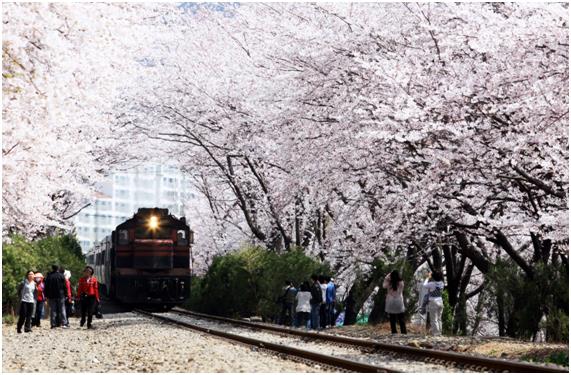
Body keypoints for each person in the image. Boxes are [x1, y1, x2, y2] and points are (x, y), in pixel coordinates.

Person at [382, 270, 407, 334]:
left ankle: (394, 332)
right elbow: (401, 290)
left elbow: (383, 286)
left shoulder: (389, 283)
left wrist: (386, 278)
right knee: (401, 318)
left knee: (392, 318)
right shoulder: (401, 282)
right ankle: (403, 332)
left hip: (390, 301)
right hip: (399, 301)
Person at [44, 264, 68, 329]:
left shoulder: (49, 276)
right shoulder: (61, 276)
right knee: (62, 309)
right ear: (58, 268)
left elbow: (46, 286)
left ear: (52, 268)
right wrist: (66, 294)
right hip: (61, 295)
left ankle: (53, 324)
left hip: (51, 295)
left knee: (53, 310)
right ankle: (64, 323)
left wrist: (46, 295)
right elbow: (64, 286)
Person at [422, 271, 445, 336]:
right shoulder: (442, 283)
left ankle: (436, 333)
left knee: (433, 319)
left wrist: (427, 278)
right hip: (440, 301)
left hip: (433, 302)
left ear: (433, 277)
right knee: (439, 318)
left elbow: (424, 285)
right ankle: (440, 332)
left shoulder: (432, 284)